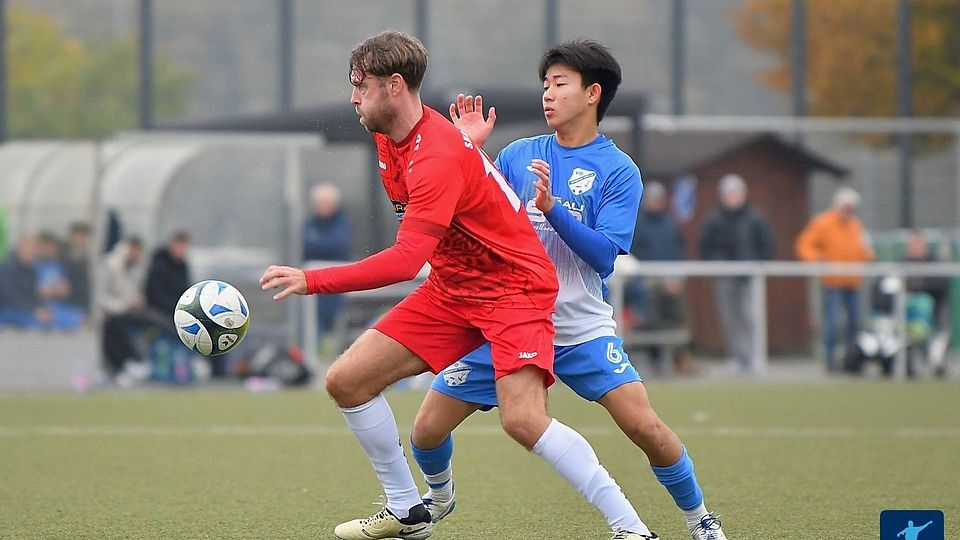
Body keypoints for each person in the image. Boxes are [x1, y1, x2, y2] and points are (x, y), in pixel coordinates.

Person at [259, 31, 641, 540]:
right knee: (346, 381)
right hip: (453, 290)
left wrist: (313, 279)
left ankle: (632, 529)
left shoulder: (434, 153)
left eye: (361, 85)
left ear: (395, 86)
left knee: (522, 420)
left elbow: (404, 260)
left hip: (514, 289)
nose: (353, 97)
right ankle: (407, 510)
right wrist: (471, 154)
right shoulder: (387, 136)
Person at [407, 41, 727, 540]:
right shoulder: (518, 154)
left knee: (645, 428)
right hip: (507, 320)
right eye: (545, 85)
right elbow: (466, 207)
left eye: (560, 84)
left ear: (593, 93)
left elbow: (603, 256)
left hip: (578, 325)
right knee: (425, 431)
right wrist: (470, 149)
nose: (548, 95)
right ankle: (440, 499)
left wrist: (553, 209)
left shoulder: (619, 171)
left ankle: (699, 519)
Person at [698, 174, 775, 373]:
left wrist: (757, 264)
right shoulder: (714, 218)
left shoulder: (755, 216)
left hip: (750, 278)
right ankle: (736, 358)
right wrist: (717, 265)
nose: (732, 197)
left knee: (751, 317)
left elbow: (767, 243)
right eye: (728, 193)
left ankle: (755, 357)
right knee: (729, 318)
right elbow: (706, 246)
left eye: (735, 193)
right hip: (725, 277)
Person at [795, 187, 873, 372]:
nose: (848, 211)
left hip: (853, 282)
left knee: (854, 323)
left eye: (851, 207)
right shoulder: (823, 222)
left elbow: (864, 250)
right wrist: (818, 258)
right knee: (832, 323)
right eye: (845, 206)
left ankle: (851, 360)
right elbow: (804, 245)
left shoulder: (856, 225)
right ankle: (830, 361)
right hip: (833, 282)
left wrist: (867, 257)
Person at [624, 180, 692, 375]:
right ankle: (655, 358)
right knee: (649, 313)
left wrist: (675, 278)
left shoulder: (671, 223)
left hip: (670, 280)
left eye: (659, 198)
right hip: (644, 280)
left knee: (680, 314)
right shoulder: (638, 223)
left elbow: (678, 250)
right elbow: (632, 253)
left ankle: (682, 358)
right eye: (652, 198)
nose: (656, 202)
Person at [302, 183, 353, 342]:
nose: (322, 207)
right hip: (311, 291)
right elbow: (300, 246)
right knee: (312, 332)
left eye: (326, 203)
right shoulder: (308, 224)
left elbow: (338, 246)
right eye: (319, 203)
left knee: (337, 331)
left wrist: (315, 244)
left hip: (337, 290)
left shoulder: (342, 224)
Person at [98, 237, 148, 376]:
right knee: (113, 327)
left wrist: (136, 301)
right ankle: (127, 363)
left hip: (131, 310)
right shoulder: (110, 265)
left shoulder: (137, 266)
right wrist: (120, 306)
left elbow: (137, 291)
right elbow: (100, 293)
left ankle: (138, 362)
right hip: (112, 311)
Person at [0, 236, 51, 328]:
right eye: (28, 250)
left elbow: (34, 294)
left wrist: (43, 308)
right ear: (20, 250)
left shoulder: (32, 270)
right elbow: (8, 295)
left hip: (26, 309)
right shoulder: (7, 268)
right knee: (37, 324)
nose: (31, 253)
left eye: (34, 251)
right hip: (8, 309)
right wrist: (33, 309)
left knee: (55, 318)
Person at [145, 231, 190, 319]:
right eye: (180, 246)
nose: (182, 250)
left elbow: (184, 289)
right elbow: (155, 294)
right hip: (158, 311)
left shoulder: (182, 265)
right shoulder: (159, 264)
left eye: (184, 247)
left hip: (176, 309)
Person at [63, 222, 92, 314]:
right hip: (66, 302)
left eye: (85, 237)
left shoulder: (85, 258)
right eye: (80, 236)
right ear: (72, 236)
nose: (83, 239)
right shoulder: (62, 254)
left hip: (81, 303)